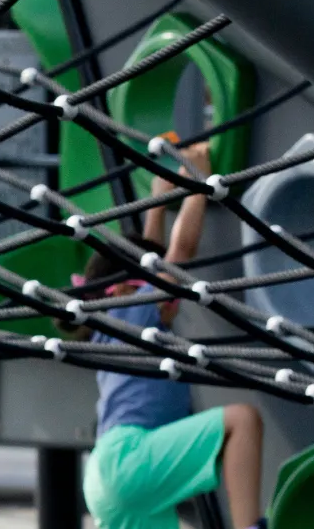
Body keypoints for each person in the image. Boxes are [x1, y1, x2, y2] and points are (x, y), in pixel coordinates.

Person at [74, 143, 266, 529]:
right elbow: (178, 254)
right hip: (129, 460)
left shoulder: (114, 318)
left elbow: (151, 259)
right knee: (242, 421)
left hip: (108, 475)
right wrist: (196, 183)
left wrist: (159, 199)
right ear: (129, 285)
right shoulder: (133, 308)